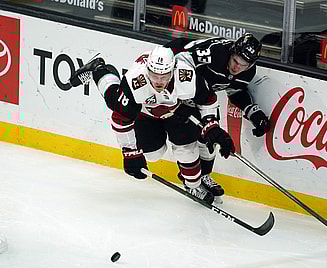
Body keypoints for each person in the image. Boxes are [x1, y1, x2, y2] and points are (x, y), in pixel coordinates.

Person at [68, 46, 235, 205]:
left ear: (173, 70)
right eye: (154, 75)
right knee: (152, 153)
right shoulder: (135, 81)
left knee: (187, 148)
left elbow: (208, 99)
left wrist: (211, 125)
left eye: (164, 76)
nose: (159, 81)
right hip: (145, 112)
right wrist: (130, 153)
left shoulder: (187, 76)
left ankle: (193, 185)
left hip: (177, 110)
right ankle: (99, 70)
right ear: (147, 70)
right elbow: (120, 120)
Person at [164, 33, 271, 203]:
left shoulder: (247, 72)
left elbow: (236, 92)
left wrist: (253, 112)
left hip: (206, 97)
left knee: (211, 137)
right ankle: (191, 182)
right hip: (181, 87)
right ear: (232, 52)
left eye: (244, 65)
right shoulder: (215, 52)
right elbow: (180, 60)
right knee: (187, 137)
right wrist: (180, 98)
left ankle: (203, 175)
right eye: (235, 61)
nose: (237, 68)